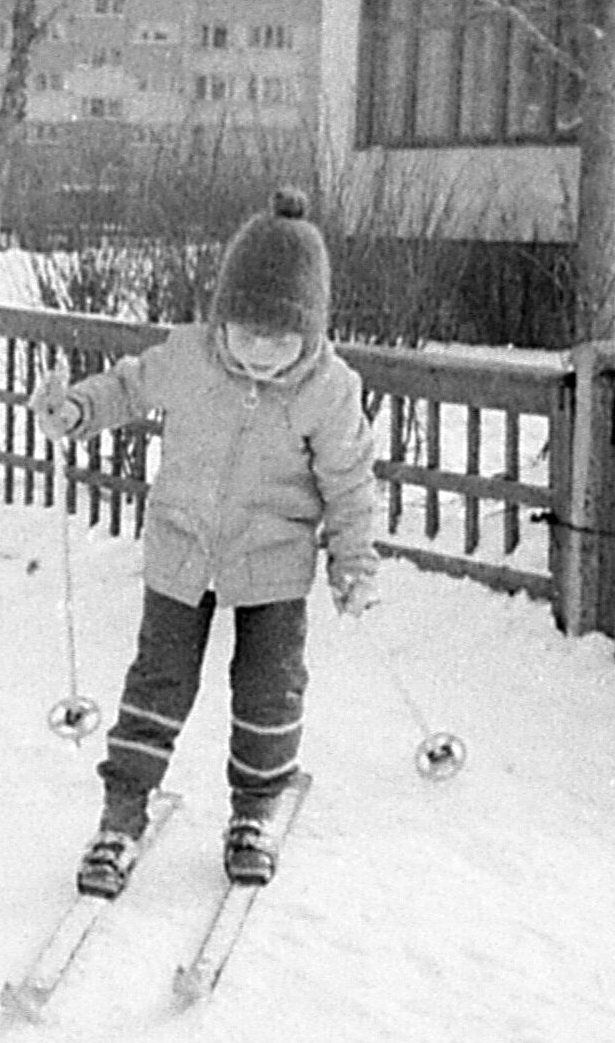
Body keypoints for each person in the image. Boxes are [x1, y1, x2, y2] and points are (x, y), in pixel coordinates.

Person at [28, 187, 380, 893]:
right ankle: (121, 814)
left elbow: (349, 481)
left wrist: (353, 561)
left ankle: (253, 811)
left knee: (268, 691)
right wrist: (72, 410)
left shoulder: (328, 390)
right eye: (246, 332)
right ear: (222, 318)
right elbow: (126, 389)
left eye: (281, 339)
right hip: (183, 553)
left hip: (274, 568)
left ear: (310, 332)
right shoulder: (189, 357)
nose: (260, 352)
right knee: (156, 686)